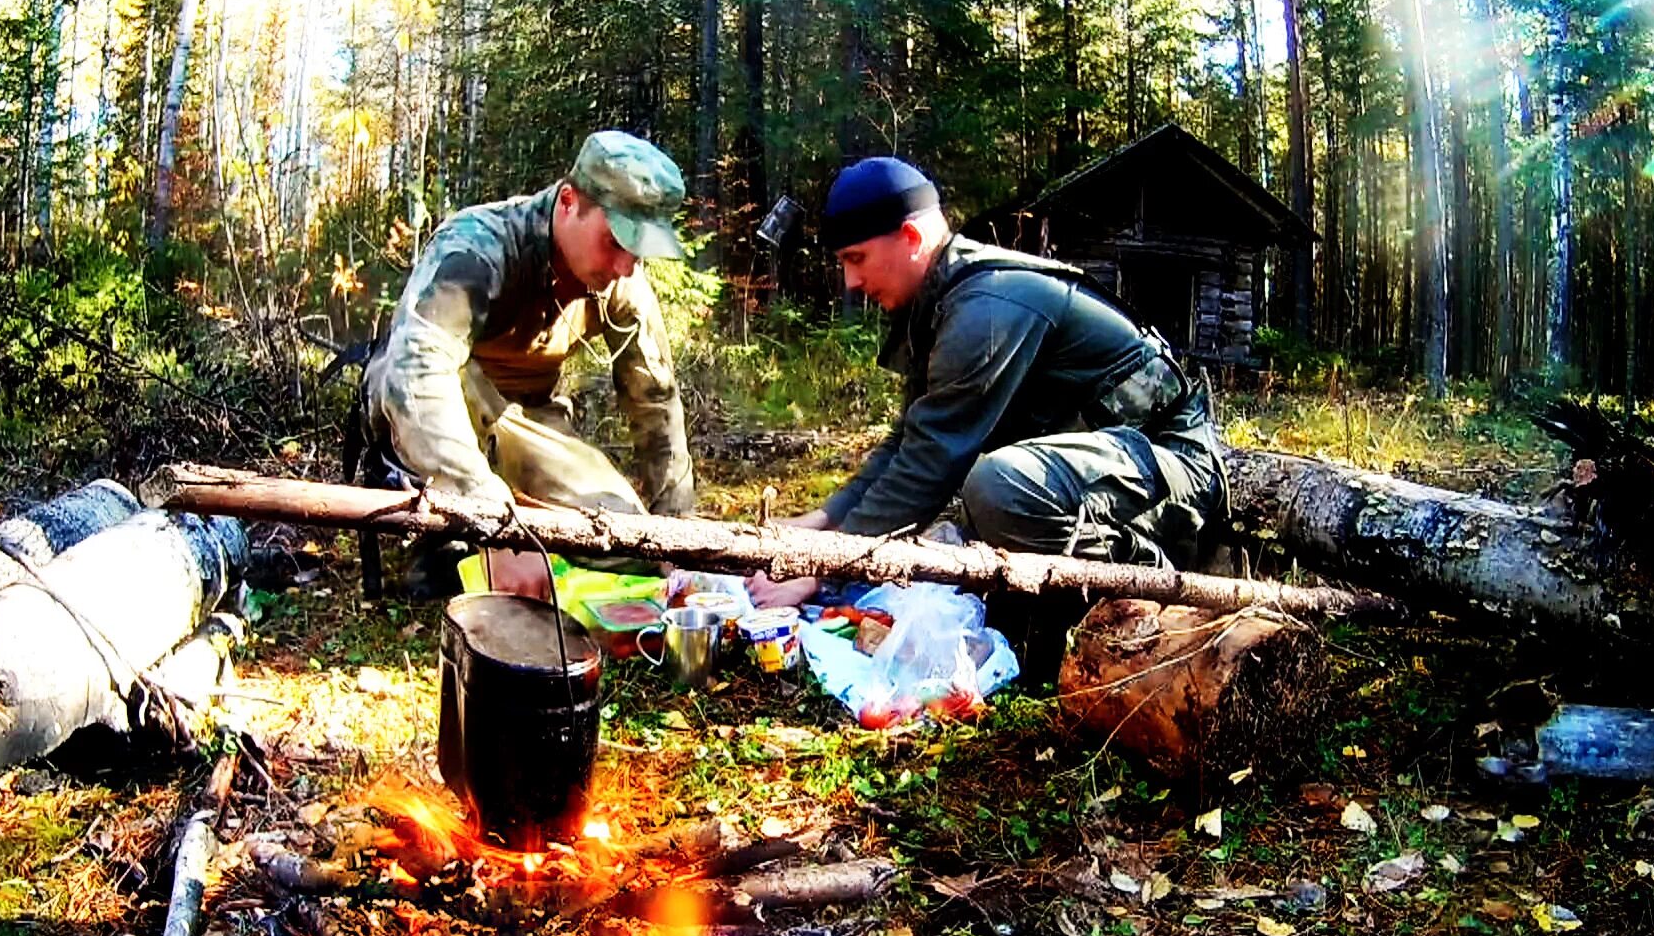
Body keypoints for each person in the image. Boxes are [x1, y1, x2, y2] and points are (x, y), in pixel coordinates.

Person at [747, 157, 1224, 608]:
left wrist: (820, 571)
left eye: (857, 257)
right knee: (989, 499)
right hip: (1106, 466)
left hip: (1170, 464)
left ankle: (1153, 583)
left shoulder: (988, 305)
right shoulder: (939, 301)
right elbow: (910, 441)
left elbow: (931, 461)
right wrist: (820, 524)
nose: (850, 281)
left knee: (999, 488)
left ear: (910, 237)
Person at [361, 131, 695, 599]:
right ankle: (449, 536)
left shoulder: (623, 283)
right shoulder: (479, 247)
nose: (625, 265)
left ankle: (501, 529)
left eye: (638, 250)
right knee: (454, 388)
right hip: (438, 406)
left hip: (526, 420)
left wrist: (680, 538)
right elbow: (417, 371)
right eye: (616, 240)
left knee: (628, 548)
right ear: (567, 202)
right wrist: (493, 522)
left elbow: (654, 400)